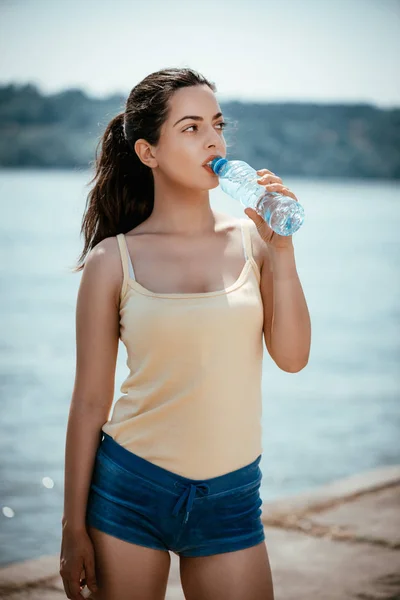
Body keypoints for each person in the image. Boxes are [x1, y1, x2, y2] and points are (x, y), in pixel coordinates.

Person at [59, 67, 311, 600]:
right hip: (130, 486)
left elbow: (292, 358)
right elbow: (89, 401)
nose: (214, 140)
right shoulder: (113, 260)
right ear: (148, 152)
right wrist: (71, 527)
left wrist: (283, 251)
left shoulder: (254, 241)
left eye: (217, 125)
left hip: (231, 496)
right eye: (191, 128)